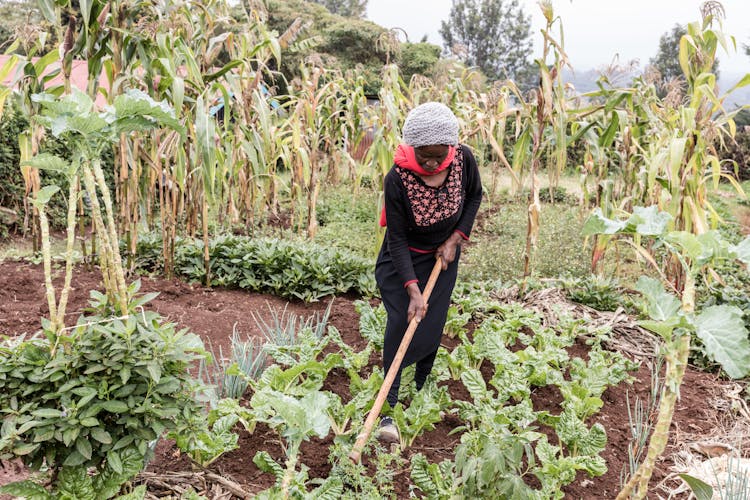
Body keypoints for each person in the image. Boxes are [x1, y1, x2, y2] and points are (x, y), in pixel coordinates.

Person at [375, 102, 482, 443]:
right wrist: (412, 289)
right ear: (411, 148)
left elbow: (475, 197)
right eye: (425, 156)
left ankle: (421, 385)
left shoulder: (463, 160)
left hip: (442, 258)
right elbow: (397, 237)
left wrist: (454, 239)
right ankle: (387, 412)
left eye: (439, 156)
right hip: (401, 262)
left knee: (432, 324)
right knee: (400, 326)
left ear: (450, 147)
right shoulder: (397, 179)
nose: (433, 163)